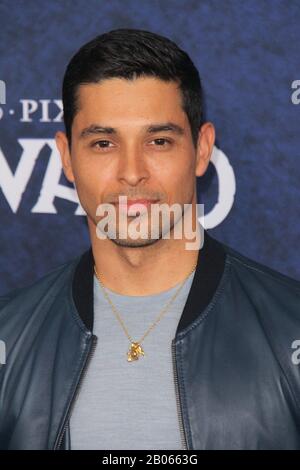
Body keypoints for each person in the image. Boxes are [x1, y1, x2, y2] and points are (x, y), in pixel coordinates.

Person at [0, 28, 299, 450]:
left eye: (158, 141)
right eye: (103, 143)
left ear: (201, 149)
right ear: (67, 158)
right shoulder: (8, 337)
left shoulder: (291, 328)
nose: (132, 171)